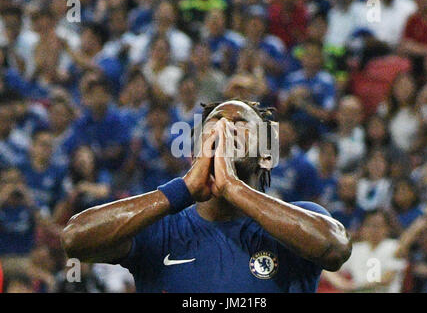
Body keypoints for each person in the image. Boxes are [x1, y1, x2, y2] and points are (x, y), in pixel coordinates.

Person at [62, 99, 351, 293]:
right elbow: (74, 238)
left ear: (265, 155)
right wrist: (183, 189)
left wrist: (234, 189)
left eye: (239, 124)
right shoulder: (158, 224)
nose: (224, 128)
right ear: (195, 151)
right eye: (215, 123)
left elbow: (334, 248)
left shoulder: (297, 218)